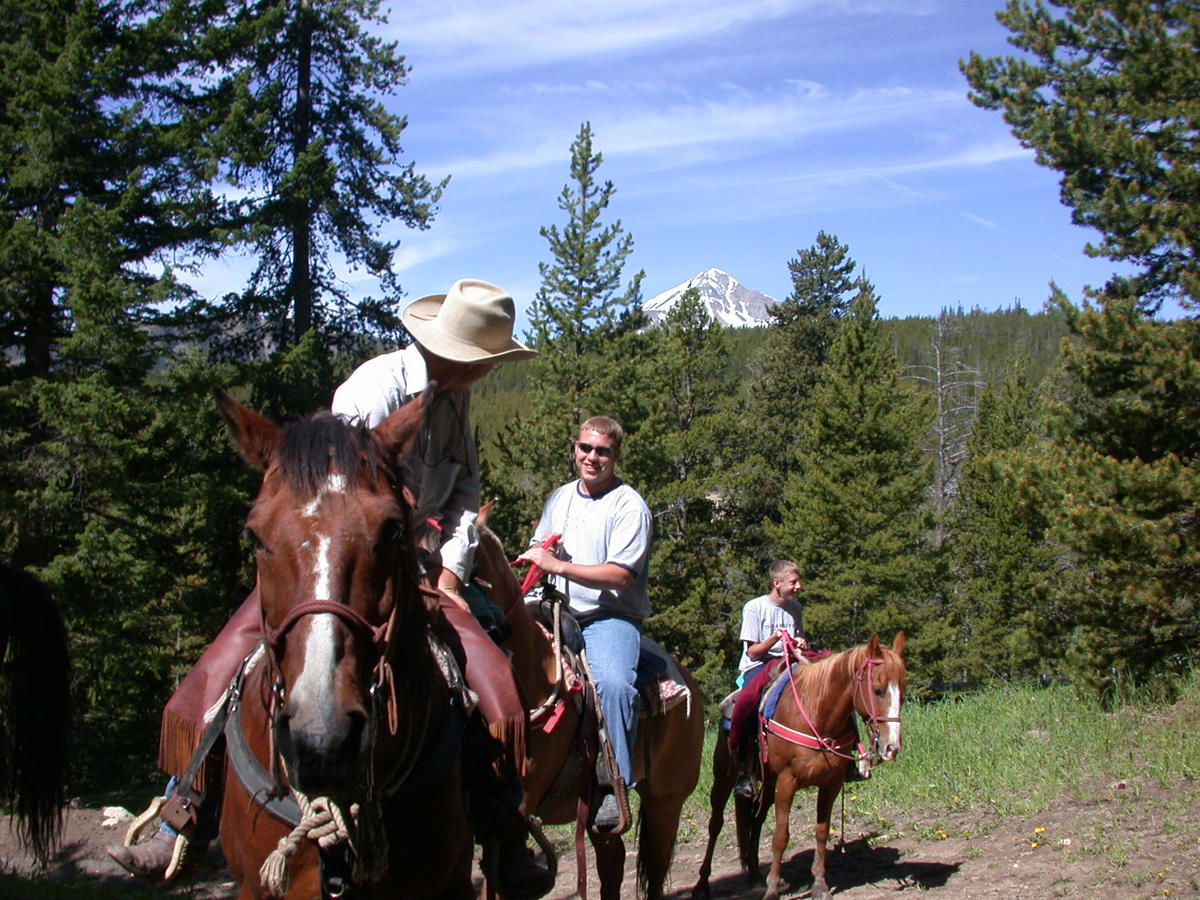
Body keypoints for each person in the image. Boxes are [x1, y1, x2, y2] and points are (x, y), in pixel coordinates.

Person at [109, 279, 554, 899]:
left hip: (415, 566)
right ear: (453, 350)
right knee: (219, 668)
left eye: (487, 365)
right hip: (330, 563)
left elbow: (464, 496)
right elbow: (332, 496)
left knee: (495, 684)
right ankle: (184, 807)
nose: (481, 373)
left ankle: (503, 824)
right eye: (480, 361)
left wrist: (449, 572)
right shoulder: (375, 388)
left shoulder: (454, 402)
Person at [515, 416, 652, 832]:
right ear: (575, 449)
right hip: (554, 606)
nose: (592, 457)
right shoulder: (560, 498)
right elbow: (544, 544)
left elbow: (621, 575)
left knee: (612, 683)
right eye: (585, 448)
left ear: (616, 455)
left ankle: (614, 784)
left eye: (602, 451)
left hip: (608, 615)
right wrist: (538, 560)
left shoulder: (630, 506)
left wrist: (558, 565)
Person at [727, 560, 810, 798]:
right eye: (793, 582)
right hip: (760, 664)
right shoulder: (755, 607)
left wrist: (801, 643)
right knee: (750, 702)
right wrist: (775, 638)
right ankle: (746, 769)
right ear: (777, 583)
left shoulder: (795, 607)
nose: (798, 587)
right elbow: (752, 651)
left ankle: (845, 757)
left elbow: (799, 640)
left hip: (789, 662)